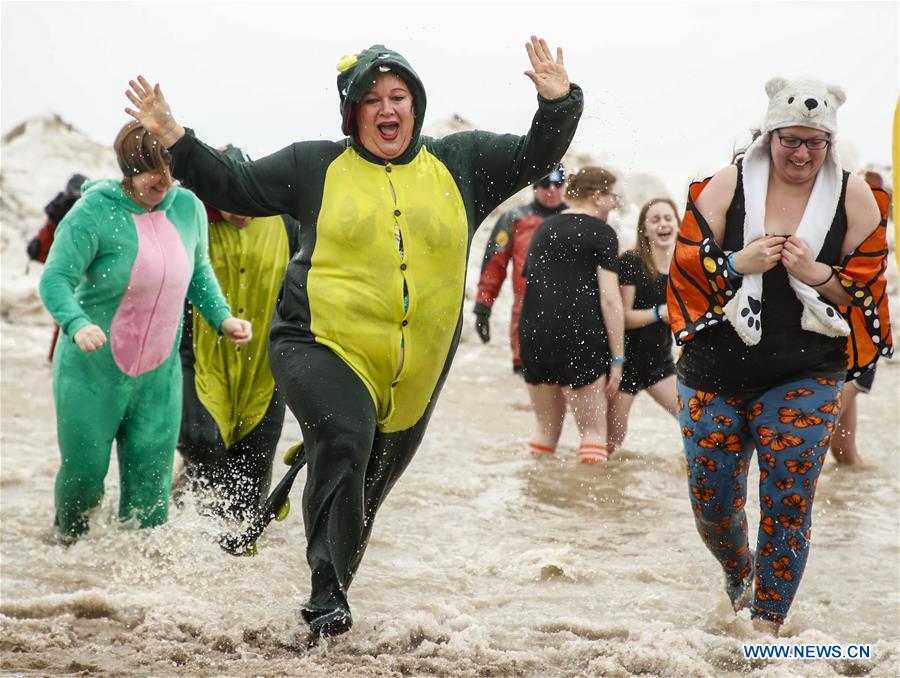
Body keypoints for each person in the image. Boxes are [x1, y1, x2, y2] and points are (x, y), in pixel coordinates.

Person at [124, 35, 582, 638]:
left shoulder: (461, 163)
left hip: (416, 369)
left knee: (365, 487)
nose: (386, 109)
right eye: (371, 100)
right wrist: (175, 138)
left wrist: (558, 104)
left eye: (398, 96)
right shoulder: (314, 165)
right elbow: (235, 185)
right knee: (344, 433)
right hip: (315, 342)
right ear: (352, 112)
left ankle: (329, 611)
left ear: (415, 105)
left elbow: (533, 154)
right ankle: (325, 594)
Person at [667, 77, 892, 633]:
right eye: (791, 139)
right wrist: (738, 264)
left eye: (815, 143)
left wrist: (817, 274)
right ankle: (740, 574)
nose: (802, 153)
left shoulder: (854, 195)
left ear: (830, 144)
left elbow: (866, 290)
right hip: (713, 371)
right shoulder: (728, 184)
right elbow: (685, 268)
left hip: (807, 370)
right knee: (714, 507)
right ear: (770, 136)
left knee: (788, 499)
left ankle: (766, 631)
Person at [39, 120, 251, 543]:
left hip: (158, 376)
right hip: (90, 370)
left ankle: (137, 585)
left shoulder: (187, 208)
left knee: (150, 497)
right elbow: (55, 279)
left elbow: (199, 272)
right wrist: (77, 324)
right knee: (84, 477)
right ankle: (67, 558)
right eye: (151, 169)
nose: (163, 180)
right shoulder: (93, 213)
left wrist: (223, 318)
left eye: (170, 169)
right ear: (128, 166)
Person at [176, 145, 301, 522]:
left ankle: (241, 557)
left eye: (248, 197)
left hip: (264, 368)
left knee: (251, 484)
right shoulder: (190, 218)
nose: (242, 209)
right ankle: (182, 534)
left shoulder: (286, 223)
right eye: (230, 198)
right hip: (198, 358)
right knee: (204, 446)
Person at [517, 166, 624, 463]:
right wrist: (617, 359)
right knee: (592, 435)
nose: (614, 204)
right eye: (613, 197)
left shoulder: (543, 228)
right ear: (598, 196)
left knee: (543, 433)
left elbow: (533, 286)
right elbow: (610, 300)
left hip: (534, 339)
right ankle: (587, 509)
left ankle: (532, 500)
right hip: (579, 341)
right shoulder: (602, 233)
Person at [472, 164, 567, 373]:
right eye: (545, 183)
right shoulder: (514, 218)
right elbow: (494, 266)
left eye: (558, 182)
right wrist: (483, 308)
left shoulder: (576, 219)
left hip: (570, 322)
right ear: (534, 186)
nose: (552, 188)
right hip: (526, 323)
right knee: (526, 389)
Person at [607, 198, 680, 454]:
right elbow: (622, 317)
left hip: (659, 363)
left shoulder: (682, 268)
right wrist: (658, 312)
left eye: (668, 218)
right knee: (612, 442)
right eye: (655, 219)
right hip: (625, 364)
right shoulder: (631, 262)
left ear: (678, 225)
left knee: (694, 424)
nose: (663, 224)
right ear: (644, 229)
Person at [26, 173, 88, 362]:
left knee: (65, 320)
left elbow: (41, 248)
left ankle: (56, 361)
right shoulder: (76, 209)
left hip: (71, 269)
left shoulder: (58, 211)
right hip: (75, 272)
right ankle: (58, 361)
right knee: (67, 320)